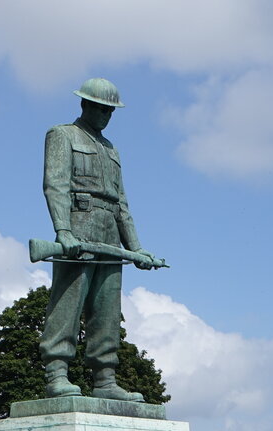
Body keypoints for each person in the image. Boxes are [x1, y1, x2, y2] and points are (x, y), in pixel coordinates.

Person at [40, 77, 161, 401]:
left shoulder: (111, 150)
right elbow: (56, 184)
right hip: (79, 226)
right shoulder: (62, 134)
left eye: (110, 110)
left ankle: (105, 379)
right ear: (85, 104)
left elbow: (122, 203)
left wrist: (135, 247)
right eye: (101, 108)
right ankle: (56, 373)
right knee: (68, 302)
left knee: (107, 308)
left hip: (110, 235)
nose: (106, 115)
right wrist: (63, 229)